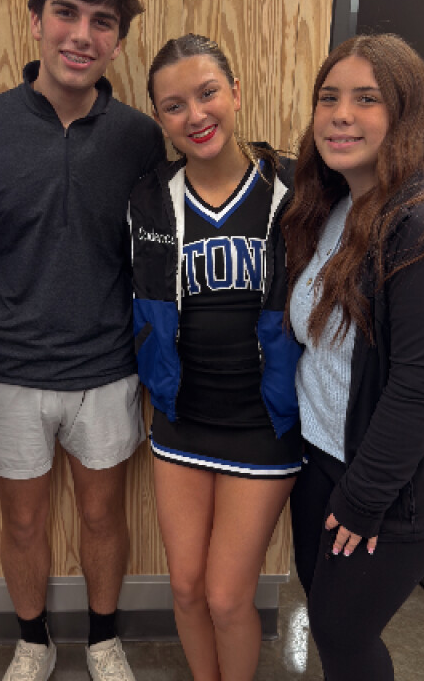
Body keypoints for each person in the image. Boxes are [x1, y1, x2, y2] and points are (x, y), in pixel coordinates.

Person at [0, 0, 165, 681]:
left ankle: (103, 640)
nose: (82, 34)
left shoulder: (139, 137)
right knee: (23, 521)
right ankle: (33, 641)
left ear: (119, 42)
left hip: (106, 370)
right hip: (6, 373)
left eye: (103, 22)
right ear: (35, 20)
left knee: (103, 517)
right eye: (66, 13)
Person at [282, 33, 424, 681]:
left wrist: (364, 498)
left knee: (343, 634)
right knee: (328, 620)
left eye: (366, 99)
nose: (340, 115)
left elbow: (423, 385)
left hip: (399, 480)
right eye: (329, 98)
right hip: (323, 454)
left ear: (406, 114)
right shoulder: (332, 203)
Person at [129, 34, 303, 681]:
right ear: (159, 118)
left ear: (236, 92)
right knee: (185, 589)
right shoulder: (149, 197)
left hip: (265, 422)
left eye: (208, 94)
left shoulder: (294, 189)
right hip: (182, 419)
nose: (195, 116)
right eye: (174, 106)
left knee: (229, 597)